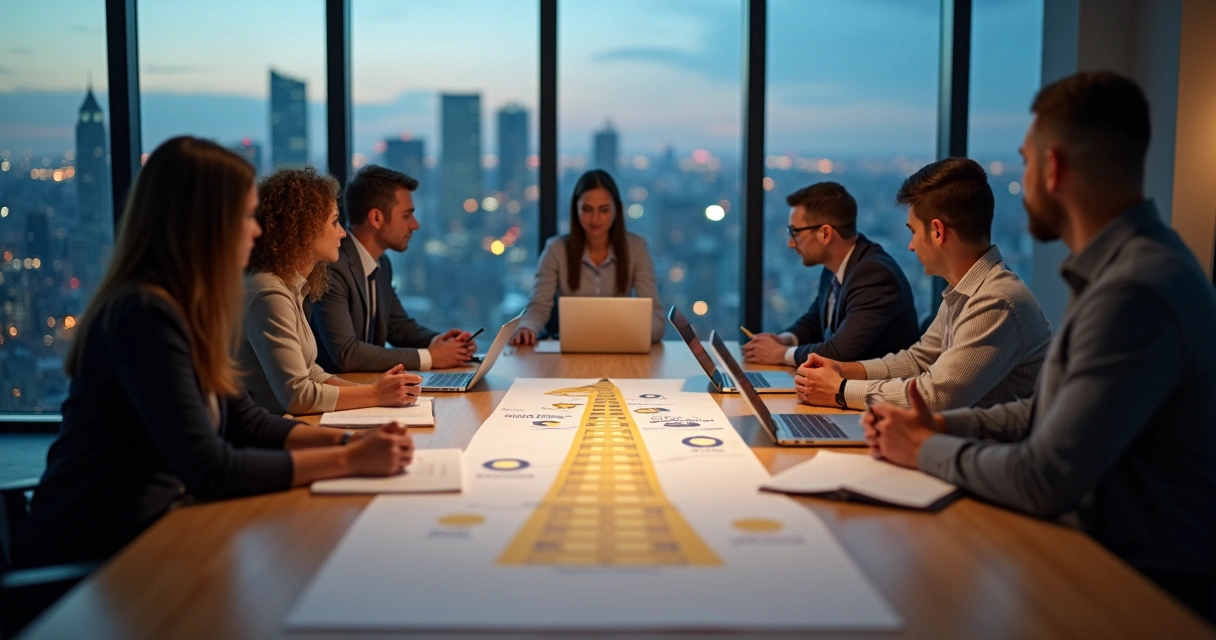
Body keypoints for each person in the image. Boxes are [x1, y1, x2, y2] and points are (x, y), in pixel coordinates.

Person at [864, 71, 1216, 621]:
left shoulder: (1135, 290)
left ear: (1052, 169)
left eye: (1024, 162)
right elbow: (1044, 413)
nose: (1020, 180)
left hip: (1135, 591)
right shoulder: (1128, 270)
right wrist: (941, 426)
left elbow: (1043, 477)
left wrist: (924, 448)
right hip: (1100, 559)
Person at [14, 137, 415, 569]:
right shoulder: (145, 315)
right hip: (96, 555)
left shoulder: (189, 308)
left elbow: (244, 420)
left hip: (158, 531)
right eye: (245, 216)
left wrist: (349, 441)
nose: (257, 230)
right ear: (203, 223)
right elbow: (209, 467)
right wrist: (349, 459)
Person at [795, 158, 1052, 412]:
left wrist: (840, 390)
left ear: (938, 232)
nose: (911, 245)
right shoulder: (966, 291)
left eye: (913, 231)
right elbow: (919, 360)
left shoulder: (996, 301)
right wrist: (843, 370)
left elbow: (935, 397)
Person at [239, 167, 421, 414]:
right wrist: (375, 394)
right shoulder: (269, 293)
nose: (342, 232)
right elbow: (298, 397)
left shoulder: (290, 286)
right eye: (334, 221)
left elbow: (311, 372)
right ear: (305, 229)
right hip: (265, 430)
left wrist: (375, 391)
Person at [309, 165, 476, 373]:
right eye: (407, 215)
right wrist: (430, 357)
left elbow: (396, 326)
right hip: (338, 389)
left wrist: (440, 343)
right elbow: (347, 354)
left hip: (366, 385)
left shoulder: (382, 263)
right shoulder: (332, 267)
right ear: (376, 218)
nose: (415, 225)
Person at [743, 181, 919, 366]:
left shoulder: (874, 275)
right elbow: (814, 323)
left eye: (795, 233)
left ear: (825, 234)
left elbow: (839, 352)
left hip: (877, 384)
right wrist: (783, 340)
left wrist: (781, 354)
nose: (791, 243)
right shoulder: (835, 266)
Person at [510, 169, 664, 345]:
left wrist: (635, 331)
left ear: (617, 210)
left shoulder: (637, 248)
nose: (595, 218)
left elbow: (656, 317)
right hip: (571, 349)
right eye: (587, 209)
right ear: (575, 209)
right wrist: (527, 328)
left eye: (604, 210)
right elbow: (539, 307)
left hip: (620, 347)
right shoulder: (556, 249)